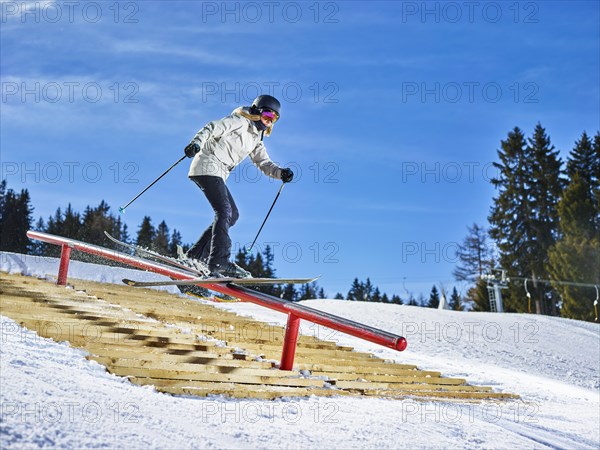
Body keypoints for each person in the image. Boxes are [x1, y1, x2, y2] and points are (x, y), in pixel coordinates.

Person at [181, 94, 294, 278]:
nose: (268, 121)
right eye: (266, 114)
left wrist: (280, 173)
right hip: (207, 164)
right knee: (224, 211)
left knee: (232, 215)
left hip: (218, 172)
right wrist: (196, 143)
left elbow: (263, 162)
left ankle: (195, 256)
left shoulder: (256, 138)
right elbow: (213, 127)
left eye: (274, 118)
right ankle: (219, 261)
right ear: (257, 111)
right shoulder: (239, 121)